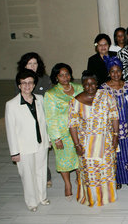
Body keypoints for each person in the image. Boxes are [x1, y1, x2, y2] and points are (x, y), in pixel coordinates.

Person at [69, 71, 119, 206]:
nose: (90, 87)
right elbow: (72, 126)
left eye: (93, 84)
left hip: (106, 140)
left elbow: (114, 116)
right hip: (86, 143)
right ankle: (92, 198)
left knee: (107, 169)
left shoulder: (106, 96)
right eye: (86, 84)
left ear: (97, 84)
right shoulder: (76, 102)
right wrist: (77, 144)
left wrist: (115, 135)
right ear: (83, 85)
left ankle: (107, 196)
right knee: (90, 171)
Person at [5, 69, 50, 212]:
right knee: (28, 175)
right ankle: (32, 202)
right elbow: (10, 130)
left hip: (40, 143)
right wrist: (14, 152)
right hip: (24, 147)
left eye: (30, 83)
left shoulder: (40, 99)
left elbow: (45, 122)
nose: (27, 86)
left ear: (34, 84)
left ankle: (42, 197)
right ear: (19, 85)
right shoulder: (11, 105)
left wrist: (47, 140)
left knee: (41, 171)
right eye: (23, 83)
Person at [44, 63, 82, 200]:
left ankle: (80, 178)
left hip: (79, 131)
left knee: (79, 157)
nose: (65, 77)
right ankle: (67, 185)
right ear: (56, 77)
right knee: (64, 161)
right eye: (61, 75)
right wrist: (56, 138)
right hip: (62, 133)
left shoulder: (79, 88)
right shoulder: (51, 94)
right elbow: (50, 118)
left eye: (67, 74)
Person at [16, 52, 53, 187]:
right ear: (24, 65)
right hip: (27, 121)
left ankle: (45, 175)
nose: (32, 66)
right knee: (31, 151)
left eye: (35, 63)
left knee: (43, 151)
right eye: (29, 63)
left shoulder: (44, 79)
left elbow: (49, 99)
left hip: (43, 118)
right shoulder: (20, 80)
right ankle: (31, 177)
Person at [102, 57, 128, 189]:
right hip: (112, 128)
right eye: (112, 71)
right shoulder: (104, 88)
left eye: (118, 71)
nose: (116, 74)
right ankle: (116, 179)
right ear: (109, 73)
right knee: (115, 154)